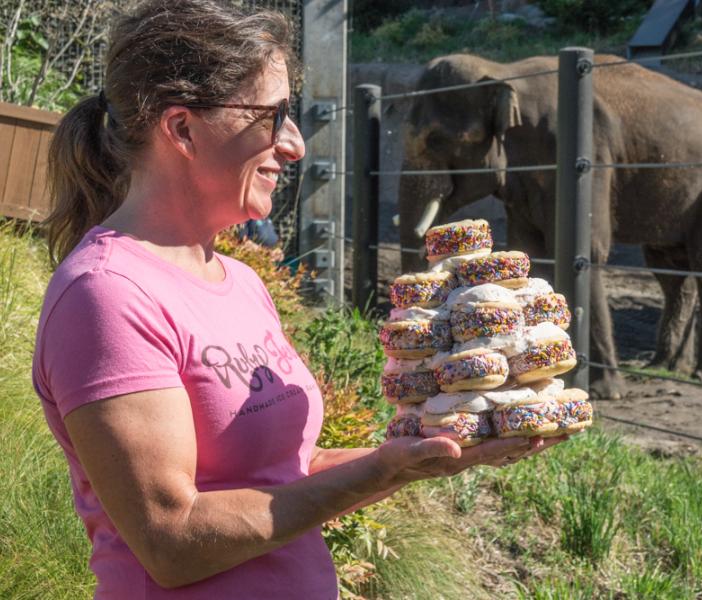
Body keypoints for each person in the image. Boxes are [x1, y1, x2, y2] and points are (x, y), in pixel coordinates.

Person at [31, 1, 569, 597]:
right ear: (182, 128)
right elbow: (171, 541)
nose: (294, 145)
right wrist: (380, 470)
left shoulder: (239, 281)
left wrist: (416, 455)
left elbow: (278, 477)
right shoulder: (105, 295)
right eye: (272, 116)